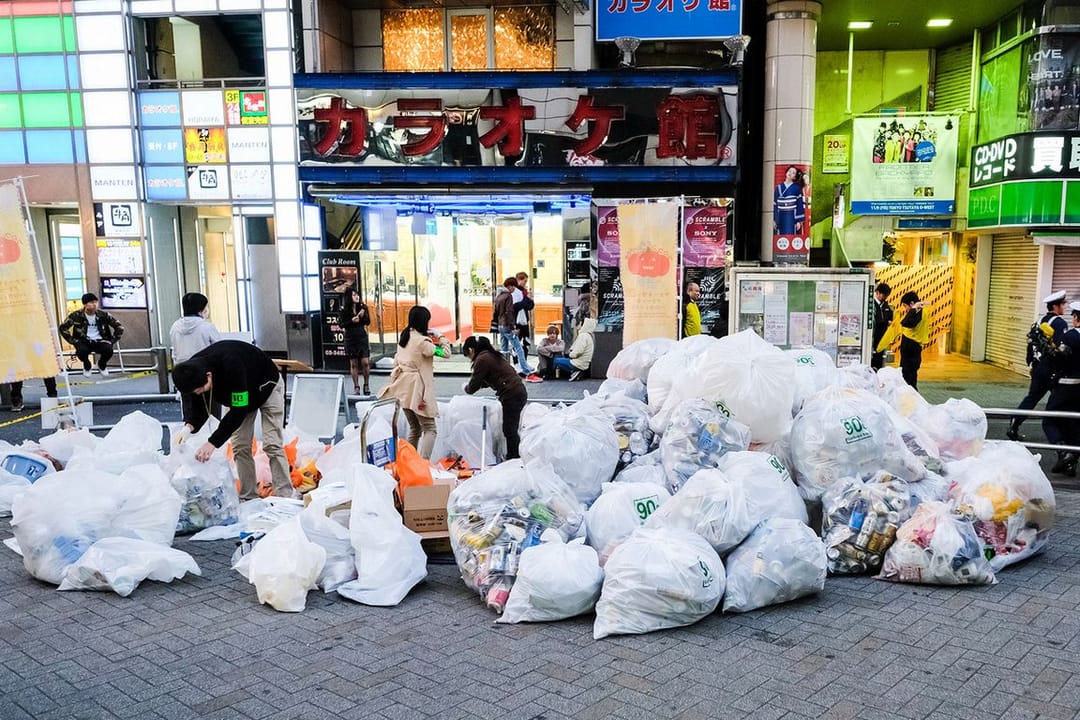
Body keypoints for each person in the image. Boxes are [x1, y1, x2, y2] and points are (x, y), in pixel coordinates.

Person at [172, 340, 291, 500]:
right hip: (239, 397)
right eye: (195, 392)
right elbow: (199, 408)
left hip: (266, 386)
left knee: (272, 444)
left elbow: (238, 411)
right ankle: (249, 496)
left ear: (209, 376)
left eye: (201, 389)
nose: (199, 393)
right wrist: (189, 427)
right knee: (240, 446)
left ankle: (284, 496)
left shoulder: (231, 364)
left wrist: (212, 443)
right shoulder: (190, 375)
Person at [378, 305, 450, 459]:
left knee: (414, 428)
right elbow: (445, 353)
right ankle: (423, 464)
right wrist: (441, 337)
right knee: (430, 428)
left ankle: (409, 462)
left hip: (402, 389)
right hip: (418, 391)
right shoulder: (422, 342)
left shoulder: (404, 338)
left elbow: (397, 361)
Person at [1009, 290, 1070, 441]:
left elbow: (1030, 342)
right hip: (1051, 369)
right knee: (1060, 400)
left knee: (1032, 398)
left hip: (1037, 368)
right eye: (1063, 304)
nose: (1065, 306)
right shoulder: (1060, 323)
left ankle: (1014, 424)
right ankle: (1060, 435)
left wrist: (1030, 361)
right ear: (1055, 306)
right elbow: (1061, 348)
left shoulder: (1039, 320)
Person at [462, 335, 528, 460]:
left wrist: (467, 388)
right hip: (517, 391)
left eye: (468, 355)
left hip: (511, 393)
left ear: (471, 350)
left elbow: (474, 383)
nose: (470, 358)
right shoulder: (491, 356)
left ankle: (514, 458)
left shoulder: (482, 359)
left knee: (509, 429)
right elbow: (490, 378)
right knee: (510, 428)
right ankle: (514, 456)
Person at [1043, 301, 1080, 475]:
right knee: (1073, 424)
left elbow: (1060, 359)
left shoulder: (1070, 336)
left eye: (1073, 316)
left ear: (1077, 319)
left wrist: (1051, 350)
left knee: (1049, 419)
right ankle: (1070, 464)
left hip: (1065, 386)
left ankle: (1063, 452)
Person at [59, 292, 124, 377]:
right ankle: (87, 365)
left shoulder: (103, 315)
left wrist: (112, 340)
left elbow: (119, 327)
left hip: (100, 340)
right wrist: (73, 341)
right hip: (83, 340)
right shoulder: (76, 315)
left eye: (95, 302)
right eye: (91, 302)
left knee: (108, 349)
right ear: (85, 304)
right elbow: (63, 327)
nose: (94, 304)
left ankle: (101, 364)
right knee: (81, 351)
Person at [876, 291, 928, 389]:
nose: (906, 309)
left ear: (912, 304)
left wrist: (912, 309)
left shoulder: (918, 311)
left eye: (905, 306)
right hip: (912, 348)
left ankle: (909, 398)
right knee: (909, 376)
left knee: (908, 377)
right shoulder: (920, 311)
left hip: (912, 348)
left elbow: (906, 322)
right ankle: (909, 397)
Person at [493, 277, 533, 376]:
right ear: (510, 286)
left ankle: (503, 370)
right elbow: (510, 312)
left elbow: (496, 312)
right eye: (513, 287)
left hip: (500, 325)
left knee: (504, 349)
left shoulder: (499, 296)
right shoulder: (509, 296)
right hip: (507, 325)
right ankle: (525, 370)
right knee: (518, 347)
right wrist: (513, 327)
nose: (513, 289)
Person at [170, 292, 222, 364]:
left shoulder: (175, 326)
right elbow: (219, 349)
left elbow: (175, 353)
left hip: (181, 369)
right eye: (206, 306)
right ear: (201, 310)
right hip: (202, 368)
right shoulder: (207, 327)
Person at [339, 286, 371, 396]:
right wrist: (351, 321)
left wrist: (362, 317)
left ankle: (366, 384)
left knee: (365, 362)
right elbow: (341, 324)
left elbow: (368, 322)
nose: (357, 297)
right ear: (349, 297)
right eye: (354, 295)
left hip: (361, 336)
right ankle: (356, 386)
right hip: (350, 337)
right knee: (354, 363)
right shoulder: (344, 310)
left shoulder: (363, 307)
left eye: (357, 294)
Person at [553, 317, 596, 381]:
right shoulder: (590, 336)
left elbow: (578, 351)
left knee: (556, 360)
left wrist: (570, 354)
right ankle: (575, 372)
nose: (578, 326)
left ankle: (574, 371)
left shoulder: (583, 336)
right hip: (583, 363)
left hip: (577, 363)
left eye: (580, 324)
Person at [773, 166, 804, 238]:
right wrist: (774, 219)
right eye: (789, 171)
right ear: (786, 172)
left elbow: (799, 205)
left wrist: (799, 221)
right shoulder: (779, 187)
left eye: (793, 173)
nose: (790, 173)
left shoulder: (796, 188)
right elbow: (775, 204)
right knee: (780, 235)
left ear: (795, 177)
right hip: (780, 214)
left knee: (791, 235)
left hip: (792, 214)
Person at [870, 282, 894, 370]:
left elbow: (890, 317)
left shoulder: (886, 306)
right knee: (872, 362)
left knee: (880, 362)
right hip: (873, 339)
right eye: (884, 295)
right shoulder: (871, 305)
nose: (885, 298)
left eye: (886, 296)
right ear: (878, 293)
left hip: (882, 339)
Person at [514, 271, 534, 356]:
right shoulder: (515, 292)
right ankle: (517, 363)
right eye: (524, 281)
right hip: (517, 321)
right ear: (518, 280)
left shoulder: (525, 291)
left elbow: (529, 307)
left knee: (526, 342)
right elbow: (517, 306)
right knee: (517, 343)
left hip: (525, 320)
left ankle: (524, 361)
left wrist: (530, 300)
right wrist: (527, 299)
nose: (525, 283)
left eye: (526, 281)